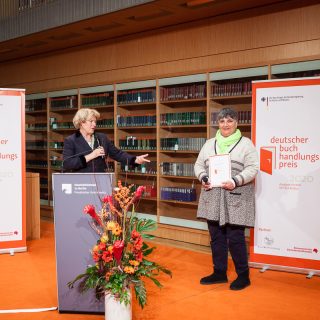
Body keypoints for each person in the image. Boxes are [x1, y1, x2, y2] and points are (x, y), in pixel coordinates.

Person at [194, 107, 258, 290]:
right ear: (218, 123)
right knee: (216, 237)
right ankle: (219, 273)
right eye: (222, 121)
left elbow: (253, 168)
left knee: (236, 237)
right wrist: (203, 178)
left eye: (229, 121)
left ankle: (243, 276)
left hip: (236, 196)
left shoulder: (246, 144)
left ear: (236, 122)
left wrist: (236, 180)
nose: (225, 124)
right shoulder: (209, 144)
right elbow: (198, 165)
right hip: (212, 196)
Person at [62, 108, 149, 172]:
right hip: (80, 186)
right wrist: (91, 156)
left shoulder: (102, 138)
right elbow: (67, 164)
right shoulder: (71, 140)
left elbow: (117, 154)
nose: (94, 124)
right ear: (81, 122)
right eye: (91, 121)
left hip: (100, 183)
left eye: (95, 122)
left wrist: (134, 159)